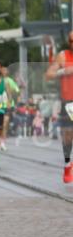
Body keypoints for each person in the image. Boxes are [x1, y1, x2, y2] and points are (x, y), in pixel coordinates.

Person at [45, 29, 73, 183]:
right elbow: (48, 75)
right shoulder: (63, 56)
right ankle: (68, 164)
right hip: (69, 101)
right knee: (68, 136)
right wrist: (64, 71)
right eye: (71, 41)